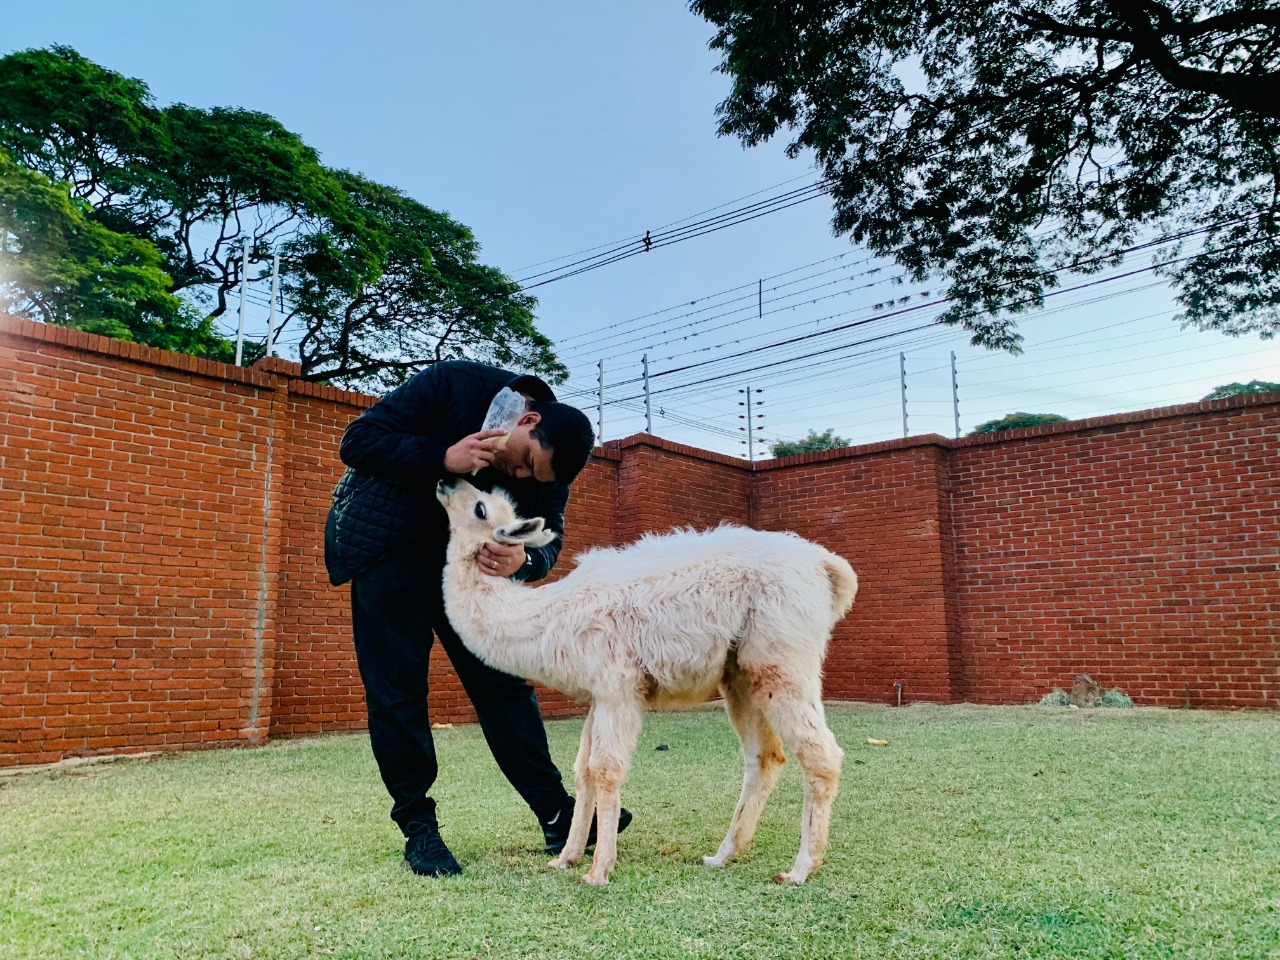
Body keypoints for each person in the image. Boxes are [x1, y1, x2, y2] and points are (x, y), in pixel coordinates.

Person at [324, 359, 631, 876]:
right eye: (525, 464)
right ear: (528, 422)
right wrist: (442, 455)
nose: (521, 477)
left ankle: (555, 812)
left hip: (472, 579)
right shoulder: (456, 384)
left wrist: (524, 560)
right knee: (397, 692)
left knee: (504, 688)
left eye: (535, 477)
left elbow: (549, 532)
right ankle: (418, 829)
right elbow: (358, 441)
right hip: (391, 555)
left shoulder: (553, 465)